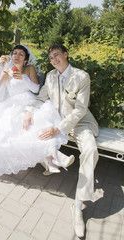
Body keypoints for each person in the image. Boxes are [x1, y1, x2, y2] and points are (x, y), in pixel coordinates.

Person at [23, 44, 99, 238]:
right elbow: (41, 98)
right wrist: (28, 111)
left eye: (57, 55)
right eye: (50, 57)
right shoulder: (50, 76)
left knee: (90, 151)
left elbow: (81, 109)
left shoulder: (81, 77)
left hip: (80, 123)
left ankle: (78, 206)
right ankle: (54, 159)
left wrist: (58, 129)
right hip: (56, 122)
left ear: (66, 54)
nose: (54, 59)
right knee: (30, 130)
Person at [0, 44, 73, 176]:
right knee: (18, 127)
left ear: (25, 59)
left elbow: (36, 89)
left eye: (21, 54)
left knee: (39, 121)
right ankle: (52, 159)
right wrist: (0, 67)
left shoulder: (29, 69)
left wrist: (24, 78)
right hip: (13, 105)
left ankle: (51, 160)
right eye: (14, 53)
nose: (16, 56)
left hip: (30, 102)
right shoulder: (7, 71)